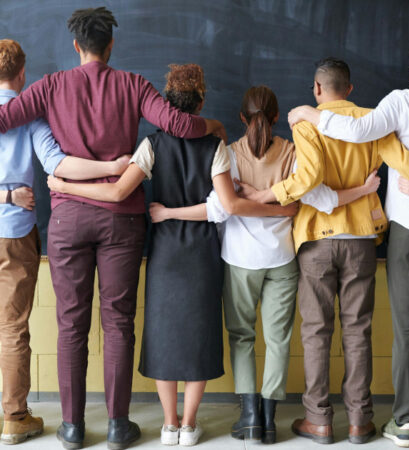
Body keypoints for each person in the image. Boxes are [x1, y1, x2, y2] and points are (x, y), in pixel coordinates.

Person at [0, 7, 228, 450]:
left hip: (67, 218)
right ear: (112, 45)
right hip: (122, 217)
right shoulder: (133, 85)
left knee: (71, 325)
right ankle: (119, 427)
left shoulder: (49, 86)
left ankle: (71, 428)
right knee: (119, 323)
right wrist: (214, 126)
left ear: (75, 47)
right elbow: (180, 125)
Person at [48, 65, 297, 447]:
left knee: (163, 334)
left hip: (164, 252)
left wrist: (64, 184)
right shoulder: (215, 145)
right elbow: (226, 204)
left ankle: (168, 424)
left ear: (166, 104)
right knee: (199, 334)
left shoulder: (151, 145)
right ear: (200, 102)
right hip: (202, 251)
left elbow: (116, 194)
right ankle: (189, 424)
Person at [147, 85, 381, 445]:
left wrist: (246, 200)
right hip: (283, 258)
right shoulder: (292, 151)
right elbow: (307, 201)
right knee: (278, 340)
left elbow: (219, 208)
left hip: (239, 260)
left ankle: (250, 417)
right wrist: (282, 208)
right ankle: (270, 419)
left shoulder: (228, 153)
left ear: (242, 118)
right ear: (276, 117)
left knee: (242, 337)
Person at [236, 57, 409, 446]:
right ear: (349, 89)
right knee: (358, 331)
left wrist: (266, 195)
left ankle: (318, 419)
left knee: (316, 332)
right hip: (361, 239)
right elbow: (404, 161)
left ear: (317, 89)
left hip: (317, 239)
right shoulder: (373, 119)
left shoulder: (306, 123)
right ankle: (359, 421)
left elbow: (309, 178)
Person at [0, 39, 130, 446]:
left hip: (35, 227)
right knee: (14, 326)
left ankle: (55, 422)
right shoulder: (31, 120)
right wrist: (111, 168)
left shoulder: (31, 113)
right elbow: (57, 164)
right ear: (23, 73)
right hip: (14, 230)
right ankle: (18, 417)